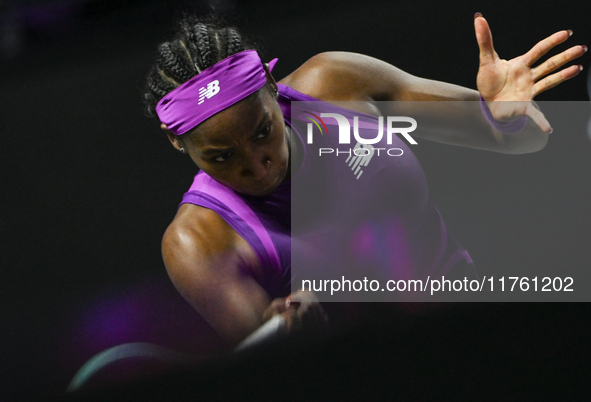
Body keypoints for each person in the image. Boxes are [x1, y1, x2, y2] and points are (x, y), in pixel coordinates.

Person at [143, 13, 586, 349]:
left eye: (263, 131)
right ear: (177, 143)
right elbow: (283, 375)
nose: (258, 165)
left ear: (272, 84)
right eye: (222, 157)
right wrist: (291, 335)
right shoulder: (196, 242)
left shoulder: (337, 84)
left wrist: (505, 120)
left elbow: (525, 141)